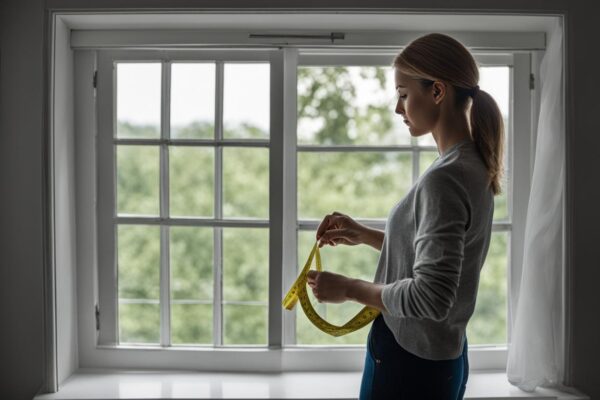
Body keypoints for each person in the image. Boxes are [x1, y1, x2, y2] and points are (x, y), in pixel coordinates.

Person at [306, 33, 504, 399]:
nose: (398, 108)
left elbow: (430, 296)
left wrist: (349, 289)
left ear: (438, 92)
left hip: (408, 363)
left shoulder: (445, 178)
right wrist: (365, 234)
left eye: (402, 93)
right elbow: (440, 259)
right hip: (443, 357)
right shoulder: (471, 165)